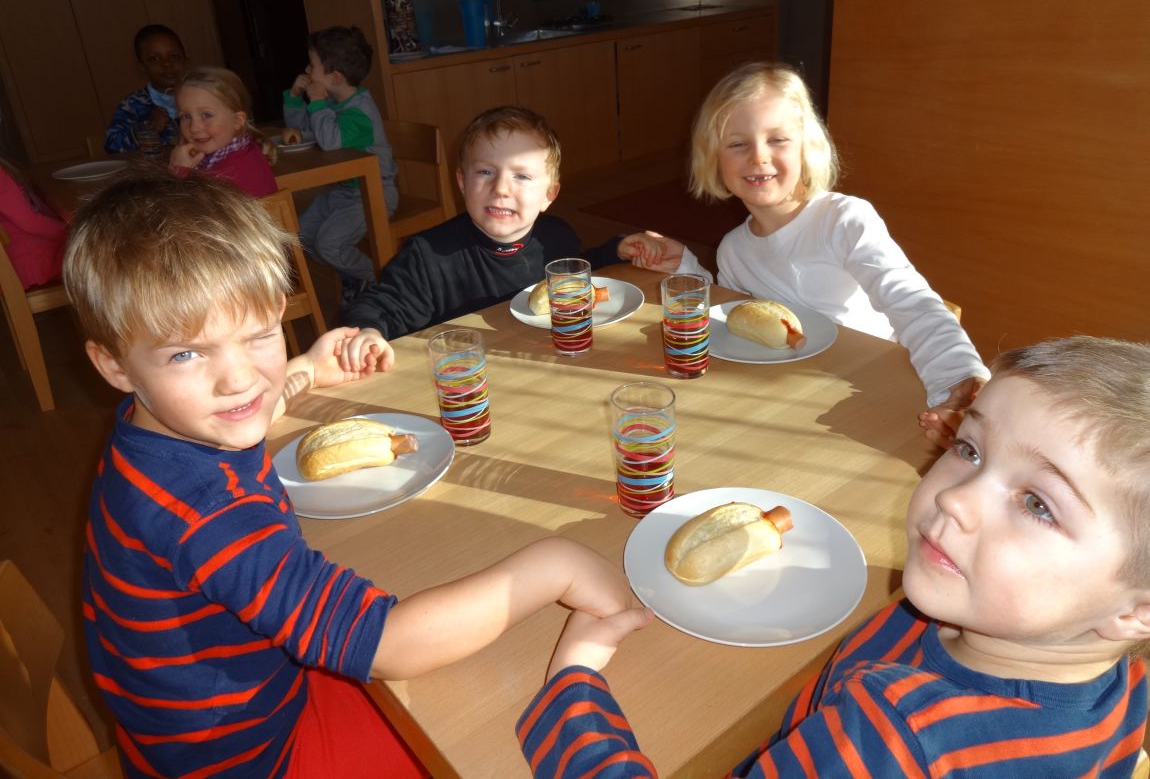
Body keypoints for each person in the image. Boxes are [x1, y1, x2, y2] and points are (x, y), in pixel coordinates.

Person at [63, 169, 638, 779]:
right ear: (114, 365)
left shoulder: (162, 432)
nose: (239, 380)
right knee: (486, 735)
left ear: (278, 313)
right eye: (186, 353)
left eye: (258, 337)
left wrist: (306, 369)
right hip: (253, 758)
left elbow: (250, 406)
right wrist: (553, 566)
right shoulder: (204, 511)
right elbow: (387, 646)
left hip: (216, 718)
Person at [518, 335, 1150, 778]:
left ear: (1137, 612)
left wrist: (575, 682)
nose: (955, 498)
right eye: (970, 449)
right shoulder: (1118, 682)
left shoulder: (893, 737)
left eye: (1038, 504)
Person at [680, 62, 989, 446]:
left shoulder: (842, 220)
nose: (758, 157)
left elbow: (911, 302)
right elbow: (739, 323)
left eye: (778, 139)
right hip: (795, 402)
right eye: (738, 144)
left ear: (807, 147)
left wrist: (959, 380)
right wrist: (684, 268)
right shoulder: (733, 250)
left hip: (873, 388)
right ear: (713, 158)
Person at [340, 105, 686, 342]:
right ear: (462, 182)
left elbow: (577, 271)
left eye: (521, 176)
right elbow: (378, 307)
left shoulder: (556, 237)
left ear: (549, 194)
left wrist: (616, 250)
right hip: (468, 383)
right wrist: (366, 332)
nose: (501, 189)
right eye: (485, 172)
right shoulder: (427, 256)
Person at [283, 25, 398, 294]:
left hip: (373, 192)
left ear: (334, 77)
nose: (307, 71)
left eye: (312, 66)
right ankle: (354, 279)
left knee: (329, 245)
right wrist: (295, 99)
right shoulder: (333, 103)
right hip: (343, 191)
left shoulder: (360, 112)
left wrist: (316, 103)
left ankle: (383, 282)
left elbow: (329, 141)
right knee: (302, 237)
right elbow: (303, 133)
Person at [169, 66, 278, 197]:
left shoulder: (228, 173)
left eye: (206, 115)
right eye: (186, 117)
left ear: (237, 121)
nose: (194, 128)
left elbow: (181, 207)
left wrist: (179, 173)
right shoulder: (242, 149)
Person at [104, 24, 187, 154]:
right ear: (142, 68)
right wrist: (149, 127)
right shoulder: (133, 104)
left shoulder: (203, 96)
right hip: (156, 167)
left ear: (185, 61)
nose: (167, 63)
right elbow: (111, 145)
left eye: (174, 56)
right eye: (154, 59)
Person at [0, 156, 67, 288]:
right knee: (95, 253)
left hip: (15, 261)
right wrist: (71, 232)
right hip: (27, 264)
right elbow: (30, 222)